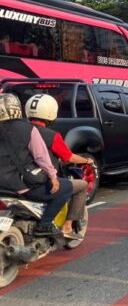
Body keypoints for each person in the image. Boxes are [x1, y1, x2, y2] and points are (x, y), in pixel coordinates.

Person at [0, 93, 72, 236]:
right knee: (67, 187)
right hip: (21, 187)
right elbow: (41, 157)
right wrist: (53, 177)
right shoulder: (28, 129)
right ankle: (44, 225)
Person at [24, 94, 91, 239]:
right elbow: (68, 157)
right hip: (41, 181)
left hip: (17, 180)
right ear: (51, 112)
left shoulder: (19, 131)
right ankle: (67, 227)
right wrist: (86, 161)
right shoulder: (52, 135)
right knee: (81, 185)